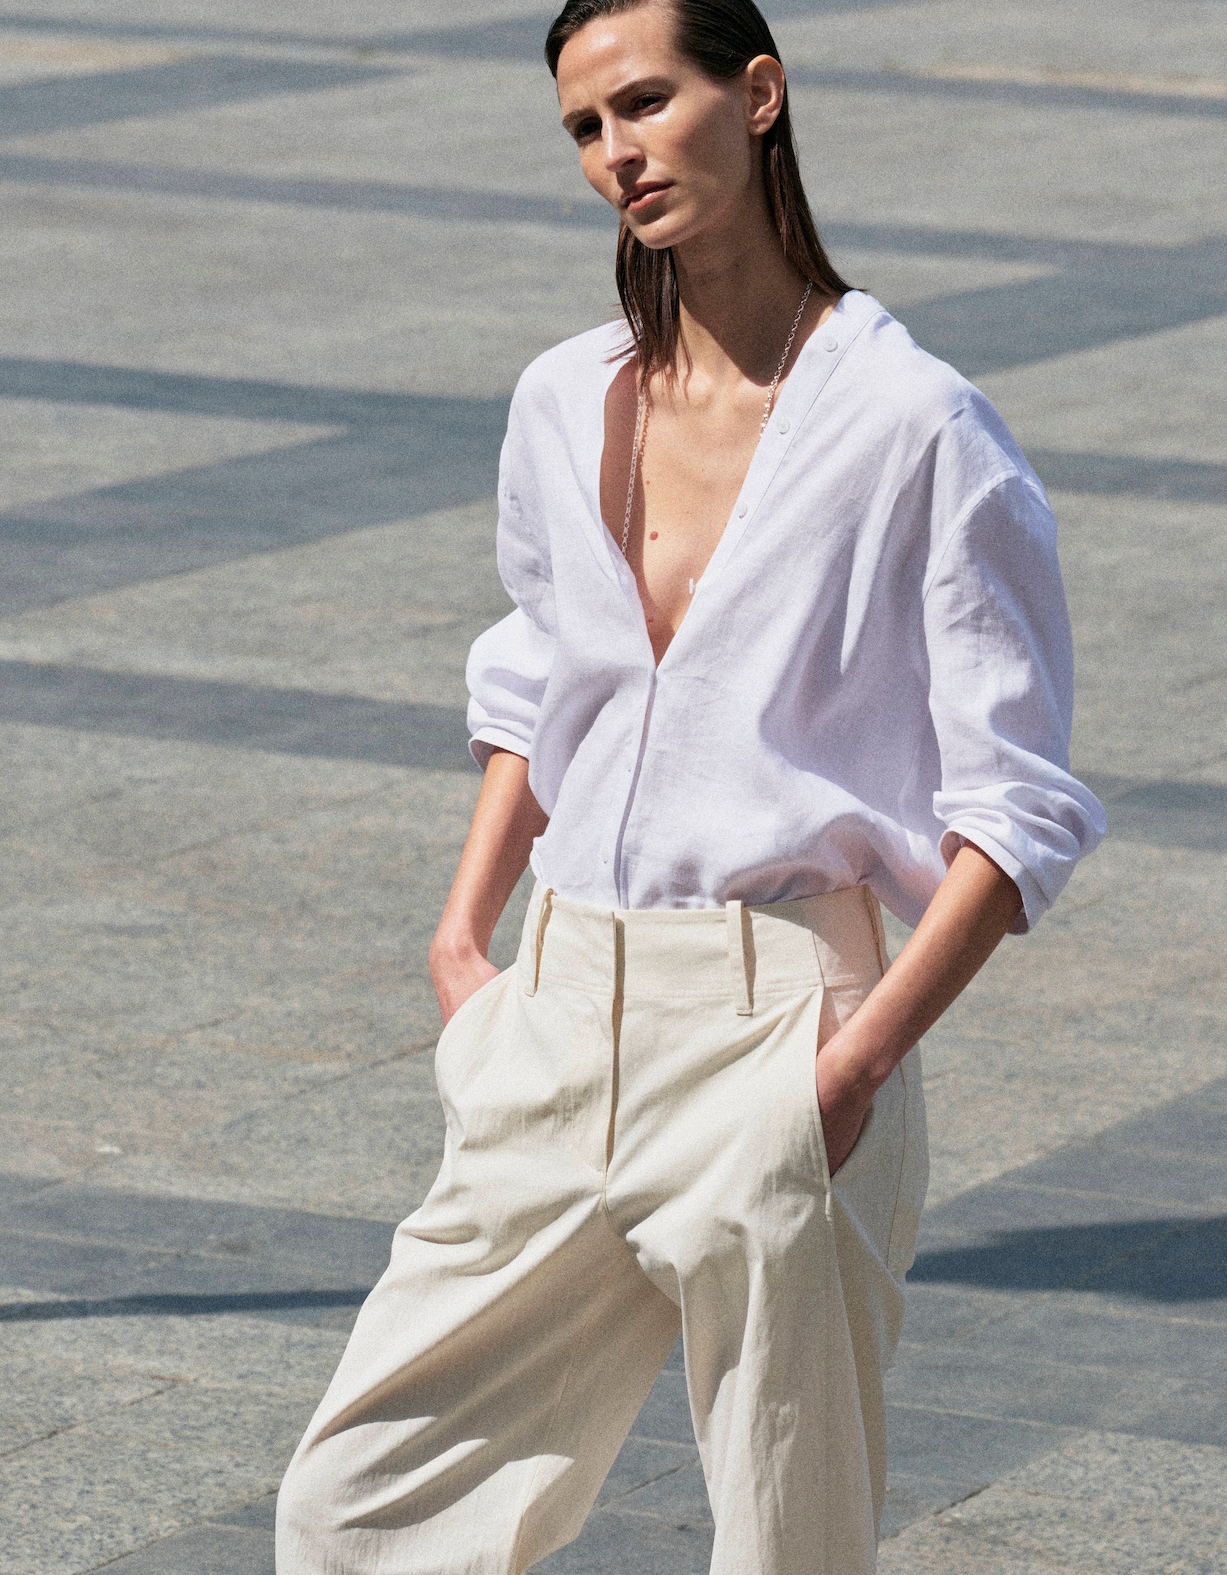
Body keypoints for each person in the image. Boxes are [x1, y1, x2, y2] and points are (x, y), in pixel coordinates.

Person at [276, 1, 1105, 1570]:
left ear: (762, 94)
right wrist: (467, 942)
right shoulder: (561, 397)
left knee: (790, 1541)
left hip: (783, 1025)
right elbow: (537, 678)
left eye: (648, 102)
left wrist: (852, 1070)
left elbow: (1014, 806)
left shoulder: (919, 428)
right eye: (587, 127)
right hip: (555, 1010)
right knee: (357, 1508)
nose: (617, 152)